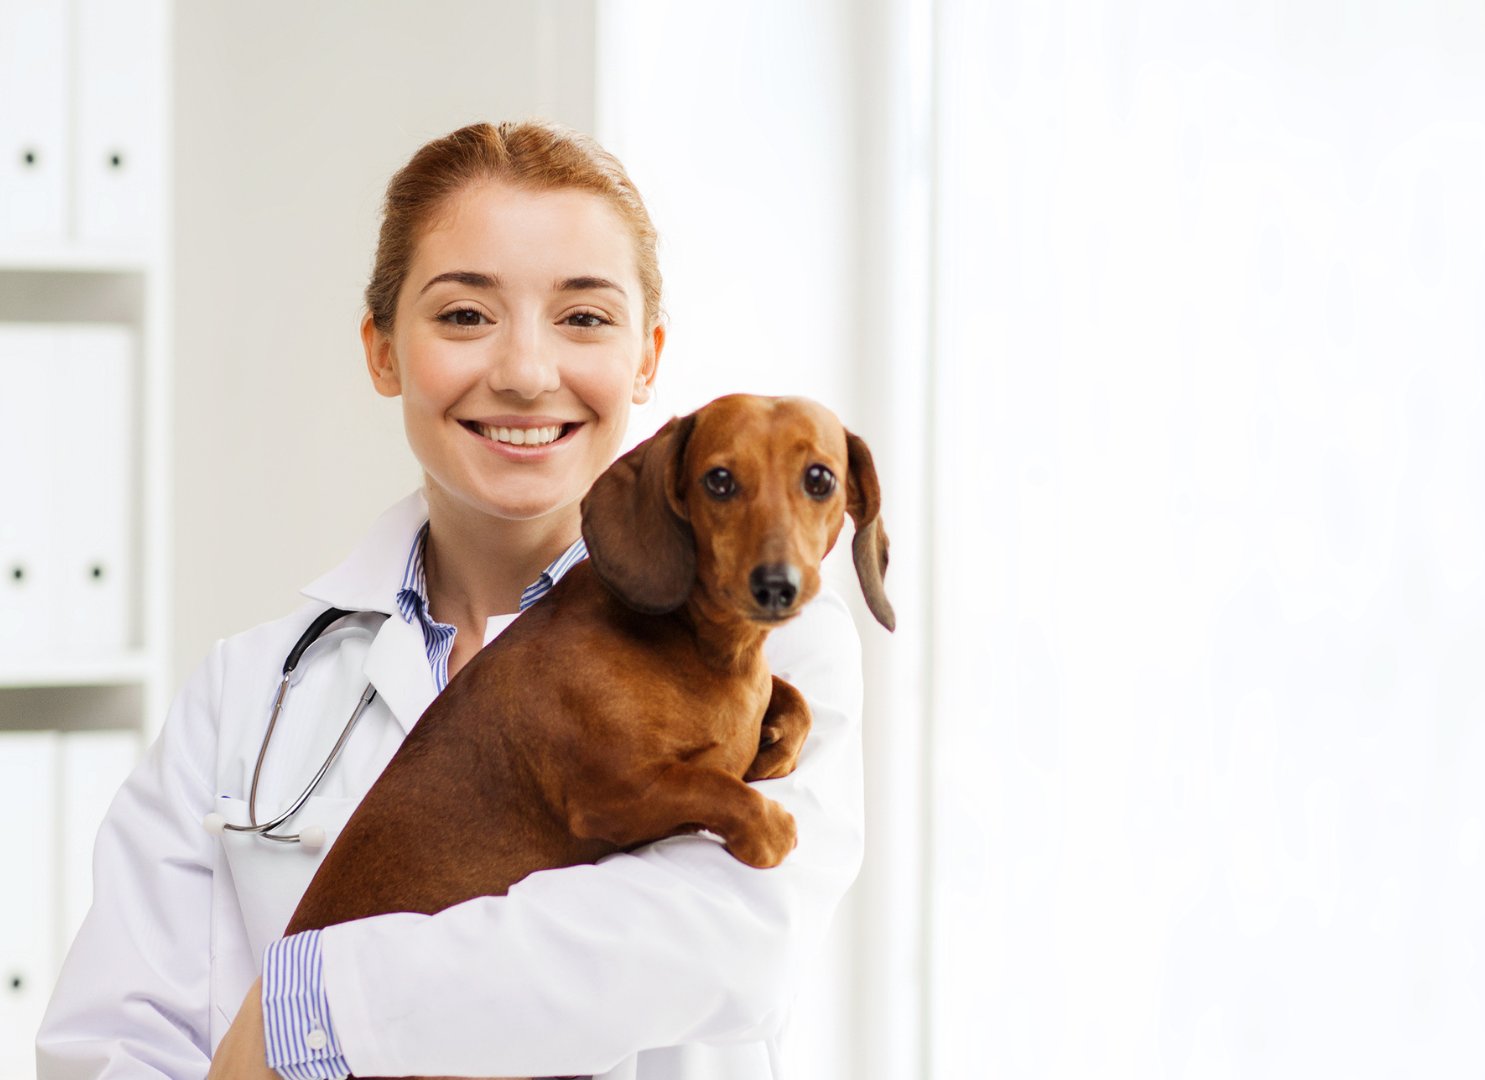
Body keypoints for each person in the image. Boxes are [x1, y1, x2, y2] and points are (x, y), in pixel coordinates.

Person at [35, 120, 867, 1080]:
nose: (522, 372)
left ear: (648, 357)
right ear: (383, 351)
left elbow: (716, 940)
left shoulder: (774, 652)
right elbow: (111, 1046)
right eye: (466, 316)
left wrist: (303, 1009)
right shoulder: (247, 692)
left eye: (585, 318)